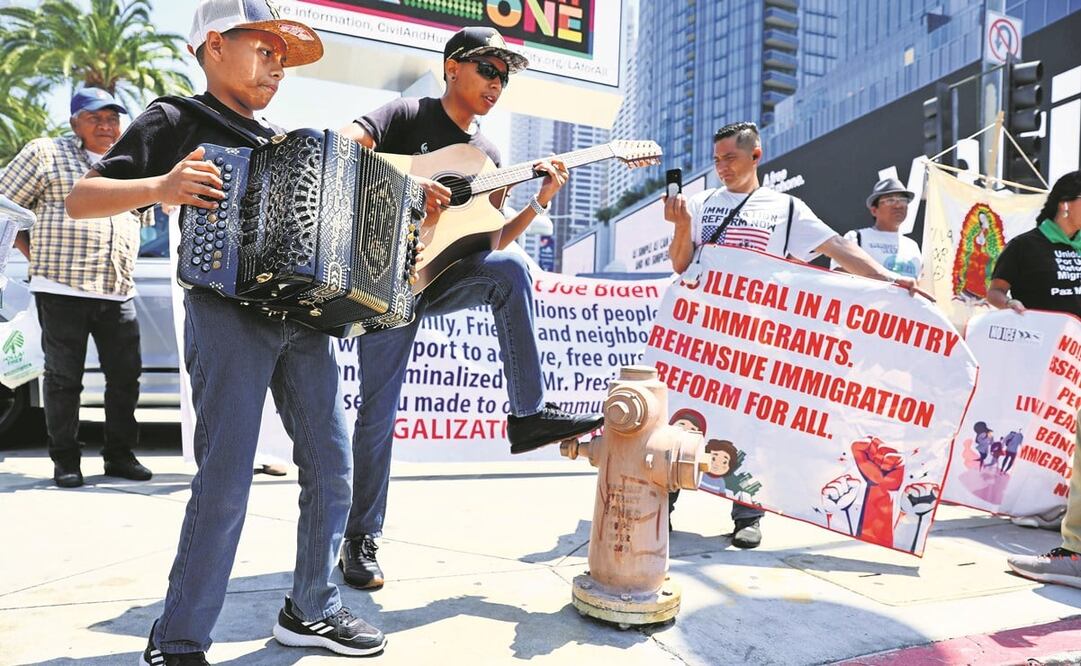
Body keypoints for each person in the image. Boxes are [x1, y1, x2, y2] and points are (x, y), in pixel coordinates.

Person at [65, 1, 385, 662]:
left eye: (283, 58)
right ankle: (178, 639)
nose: (277, 67)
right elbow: (82, 199)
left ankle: (311, 608)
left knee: (333, 467)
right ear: (213, 44)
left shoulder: (281, 140)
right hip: (225, 313)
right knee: (226, 480)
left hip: (302, 321)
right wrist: (162, 184)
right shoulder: (176, 117)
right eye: (264, 50)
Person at [336, 26, 603, 590]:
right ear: (452, 67)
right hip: (385, 282)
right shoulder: (407, 115)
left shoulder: (489, 157)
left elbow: (490, 240)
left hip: (440, 278)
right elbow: (340, 150)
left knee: (511, 270)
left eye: (505, 76)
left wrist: (539, 203)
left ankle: (528, 415)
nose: (498, 83)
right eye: (488, 69)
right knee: (377, 415)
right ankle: (360, 538)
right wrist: (409, 189)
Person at [664, 121, 921, 549]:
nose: (722, 167)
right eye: (717, 159)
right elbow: (680, 264)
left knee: (753, 427)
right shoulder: (700, 202)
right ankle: (664, 505)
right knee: (684, 421)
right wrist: (679, 225)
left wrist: (888, 278)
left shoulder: (785, 209)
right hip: (700, 337)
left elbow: (837, 248)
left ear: (756, 155)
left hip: (756, 339)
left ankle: (748, 513)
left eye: (730, 158)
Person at [0, 87, 152, 489]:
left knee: (126, 378)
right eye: (95, 117)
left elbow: (141, 217)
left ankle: (120, 455)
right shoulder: (45, 154)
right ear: (74, 122)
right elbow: (5, 205)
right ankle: (65, 460)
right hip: (61, 288)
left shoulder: (130, 162)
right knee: (64, 379)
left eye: (112, 118)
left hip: (118, 290)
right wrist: (34, 254)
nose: (106, 126)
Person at [989, 171, 1081, 536]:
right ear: (1065, 205)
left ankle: (1065, 502)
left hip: (1078, 355)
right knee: (1045, 429)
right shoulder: (1026, 246)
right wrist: (1009, 303)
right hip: (1042, 358)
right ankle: (1033, 501)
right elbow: (994, 291)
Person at [830, 177, 922, 279]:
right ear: (874, 210)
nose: (898, 205)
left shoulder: (912, 246)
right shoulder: (856, 237)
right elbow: (838, 277)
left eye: (903, 200)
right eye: (890, 200)